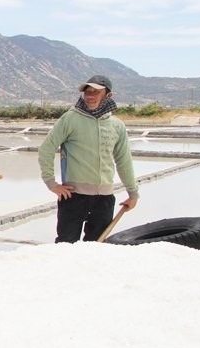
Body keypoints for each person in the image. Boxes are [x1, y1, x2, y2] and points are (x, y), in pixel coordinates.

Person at [38, 75, 138, 242]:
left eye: (96, 92)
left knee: (96, 249)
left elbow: (123, 160)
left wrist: (133, 193)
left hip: (104, 199)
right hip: (73, 197)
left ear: (108, 95)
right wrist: (52, 184)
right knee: (66, 246)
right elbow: (46, 149)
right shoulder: (70, 118)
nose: (90, 96)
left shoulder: (116, 125)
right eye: (87, 92)